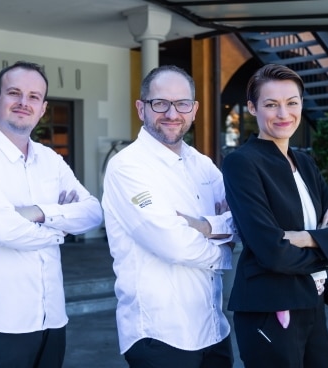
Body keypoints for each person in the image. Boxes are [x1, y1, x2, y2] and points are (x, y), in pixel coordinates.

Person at [0, 61, 103, 368]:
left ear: (43, 108)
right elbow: (1, 229)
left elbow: (93, 212)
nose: (23, 102)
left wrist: (37, 213)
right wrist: (62, 226)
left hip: (51, 319)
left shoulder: (51, 159)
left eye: (33, 97)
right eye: (14, 93)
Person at [221, 63, 328, 368]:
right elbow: (272, 252)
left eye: (292, 103)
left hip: (311, 303)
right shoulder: (242, 163)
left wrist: (308, 238)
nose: (284, 114)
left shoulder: (305, 163)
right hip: (269, 309)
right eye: (271, 104)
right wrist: (325, 245)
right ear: (252, 108)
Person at [102, 64, 238, 368]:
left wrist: (201, 225)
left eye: (182, 104)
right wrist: (223, 248)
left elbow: (241, 219)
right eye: (160, 103)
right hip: (159, 334)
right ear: (141, 108)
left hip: (213, 329)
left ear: (194, 109)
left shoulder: (203, 165)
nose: (172, 113)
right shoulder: (128, 167)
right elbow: (172, 243)